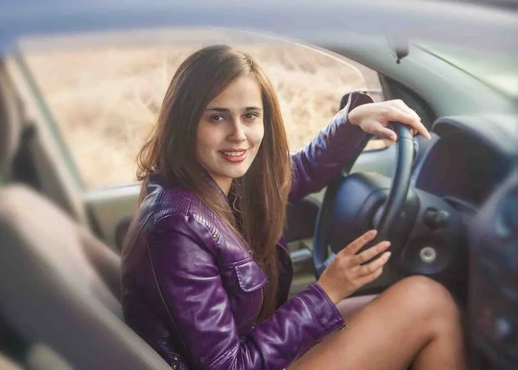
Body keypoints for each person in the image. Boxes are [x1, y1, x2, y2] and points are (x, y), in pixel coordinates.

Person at [121, 45, 466, 370]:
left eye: (250, 115)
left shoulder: (225, 181)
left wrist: (352, 121)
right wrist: (328, 291)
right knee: (427, 304)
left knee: (419, 301)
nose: (238, 134)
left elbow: (297, 171)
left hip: (255, 345)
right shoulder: (176, 226)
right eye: (217, 118)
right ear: (186, 124)